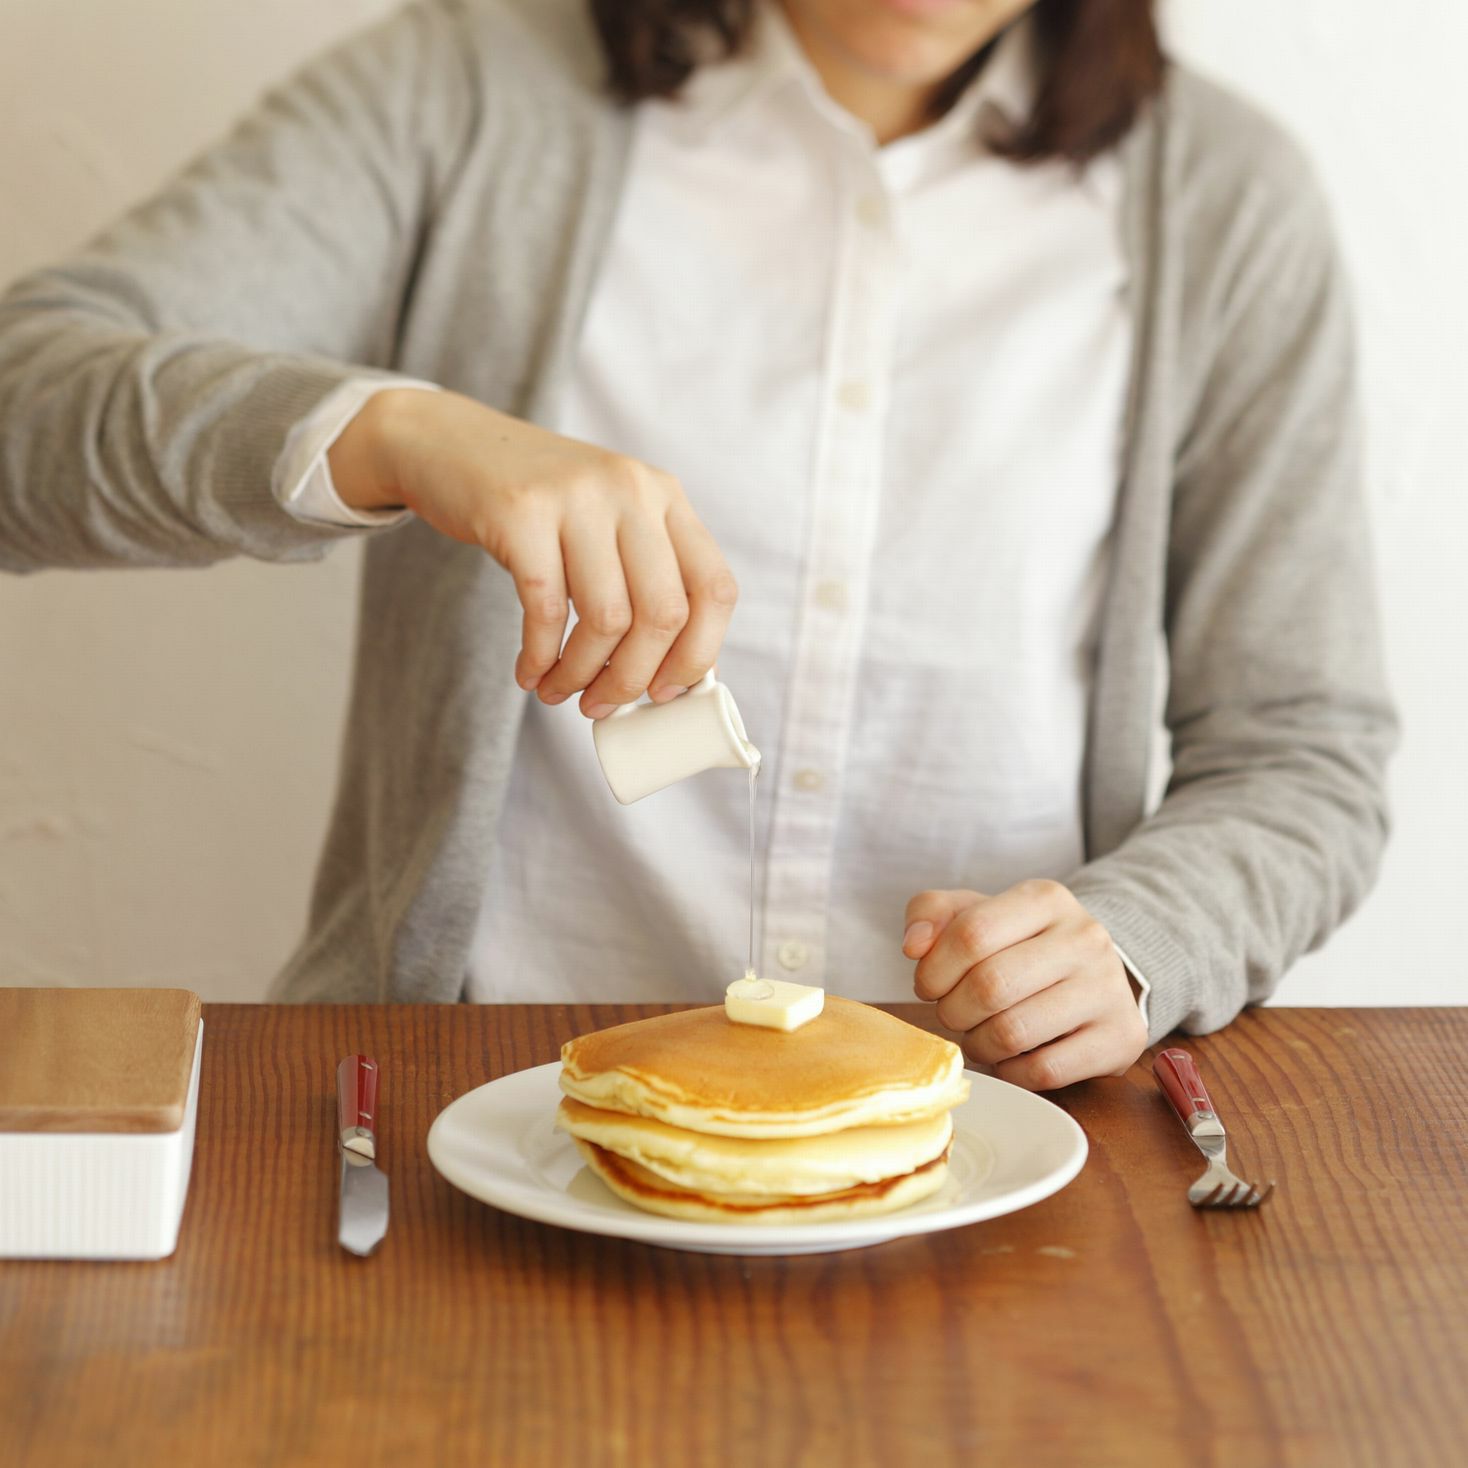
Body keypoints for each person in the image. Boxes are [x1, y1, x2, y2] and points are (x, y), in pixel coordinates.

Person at [0, 0, 1395, 1089]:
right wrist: (395, 433)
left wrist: (1142, 940)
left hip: (981, 1146)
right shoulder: (469, 86)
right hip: (469, 1119)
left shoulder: (1226, 203)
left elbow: (1303, 746)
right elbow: (27, 410)